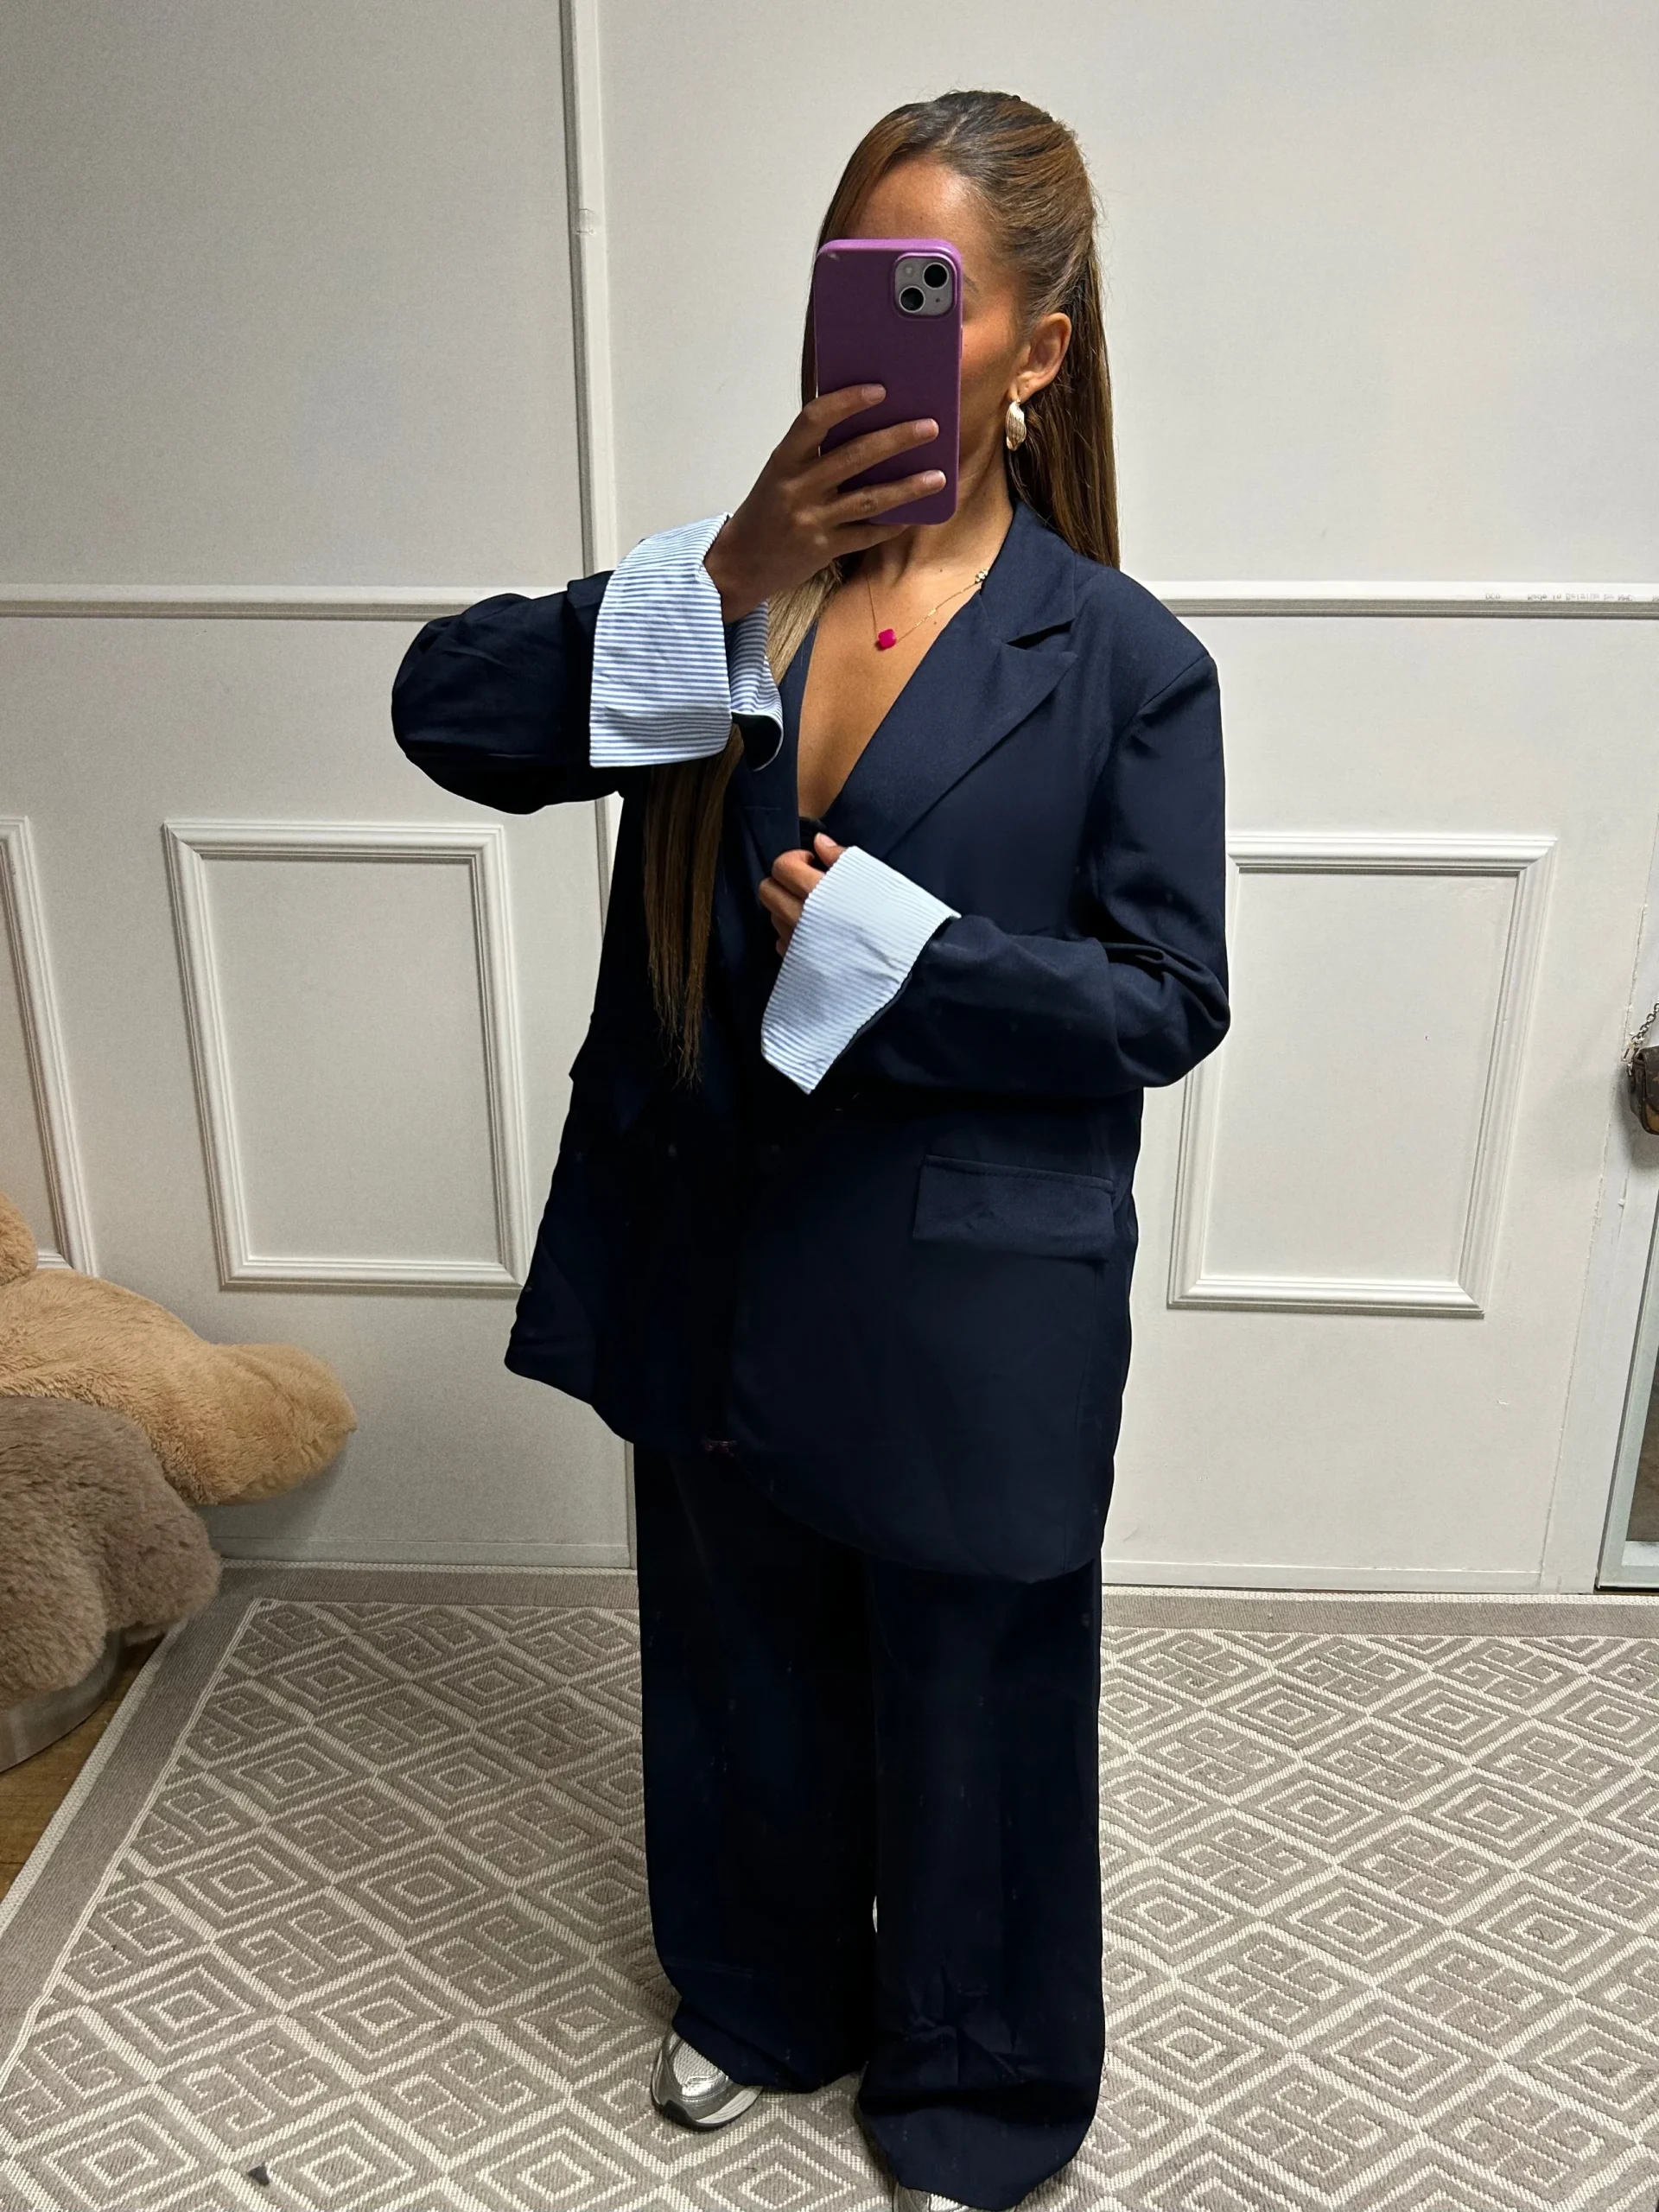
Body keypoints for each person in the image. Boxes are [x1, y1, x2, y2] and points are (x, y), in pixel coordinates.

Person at [391, 86, 1228, 2212]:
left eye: (925, 292)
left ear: (1038, 350)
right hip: (714, 1241)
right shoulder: (731, 601)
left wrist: (908, 954)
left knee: (973, 1683)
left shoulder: (1123, 660)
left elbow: (1165, 998)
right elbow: (445, 710)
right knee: (738, 1652)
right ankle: (762, 1991)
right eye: (849, 283)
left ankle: (979, 2085)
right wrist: (730, 565)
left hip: (963, 1274)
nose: (869, 330)